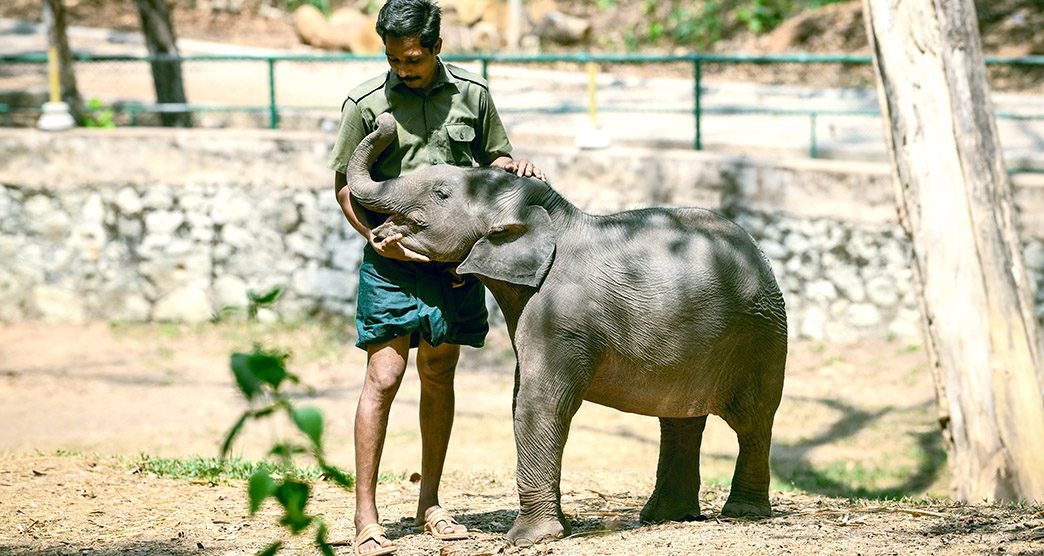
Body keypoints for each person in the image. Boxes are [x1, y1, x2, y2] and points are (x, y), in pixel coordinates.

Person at [327, 1, 545, 554]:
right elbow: (347, 188)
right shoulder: (365, 104)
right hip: (391, 263)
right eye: (394, 59)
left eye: (414, 59)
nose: (403, 68)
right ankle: (365, 518)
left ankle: (431, 505)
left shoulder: (473, 97)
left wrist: (511, 167)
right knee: (382, 377)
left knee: (440, 374)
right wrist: (371, 235)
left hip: (453, 266)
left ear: (437, 48)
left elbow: (494, 165)